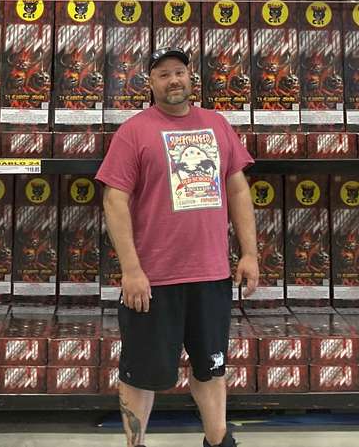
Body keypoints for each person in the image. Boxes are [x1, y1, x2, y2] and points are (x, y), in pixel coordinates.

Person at [96, 47, 258, 447]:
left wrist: (250, 253)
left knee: (212, 368)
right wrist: (131, 270)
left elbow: (238, 189)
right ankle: (135, 444)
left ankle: (219, 441)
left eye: (180, 72)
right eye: (164, 74)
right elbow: (114, 201)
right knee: (141, 372)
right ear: (150, 84)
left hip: (212, 274)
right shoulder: (133, 131)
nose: (174, 80)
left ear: (191, 79)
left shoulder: (217, 125)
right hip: (153, 280)